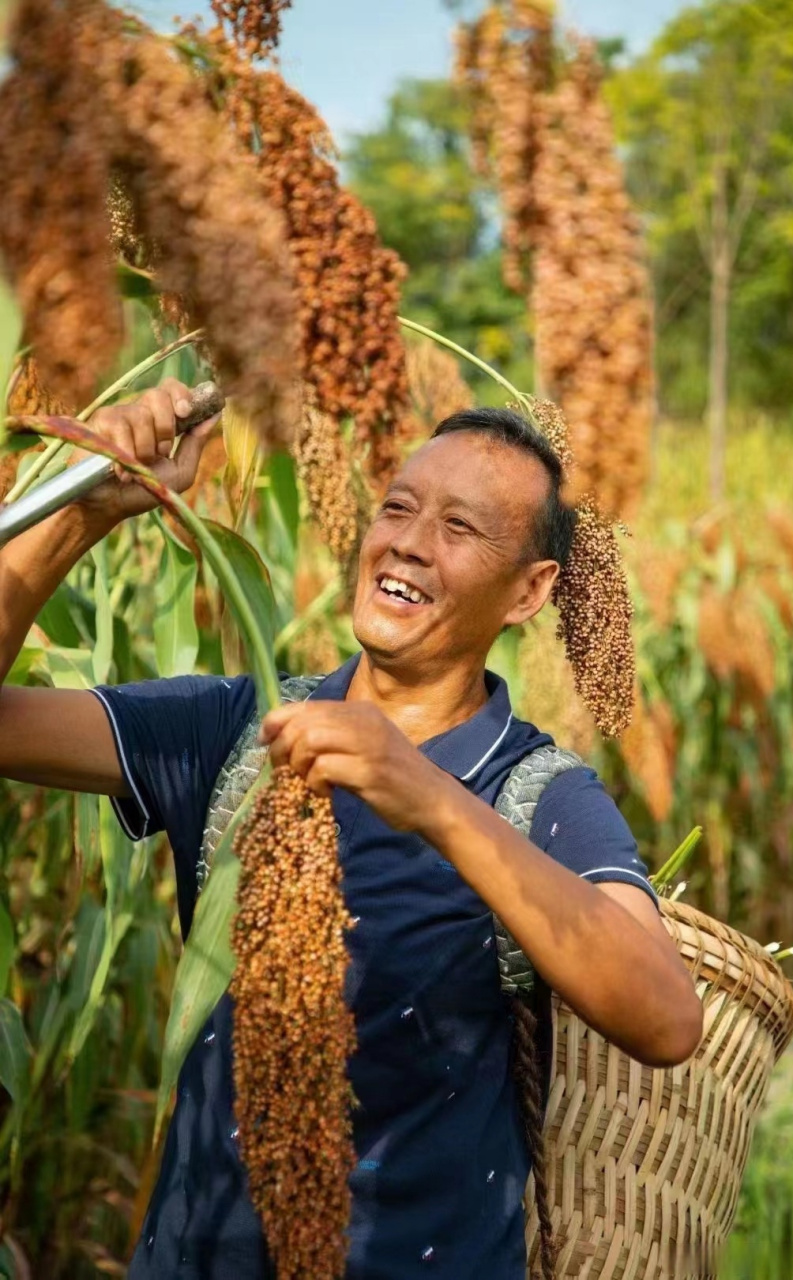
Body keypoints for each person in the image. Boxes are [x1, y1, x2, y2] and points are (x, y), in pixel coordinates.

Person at [0, 379, 702, 1279]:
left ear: (530, 591)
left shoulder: (537, 795)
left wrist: (430, 798)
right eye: (398, 508)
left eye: (459, 528)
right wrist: (80, 514)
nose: (408, 542)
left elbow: (663, 1017)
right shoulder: (237, 727)